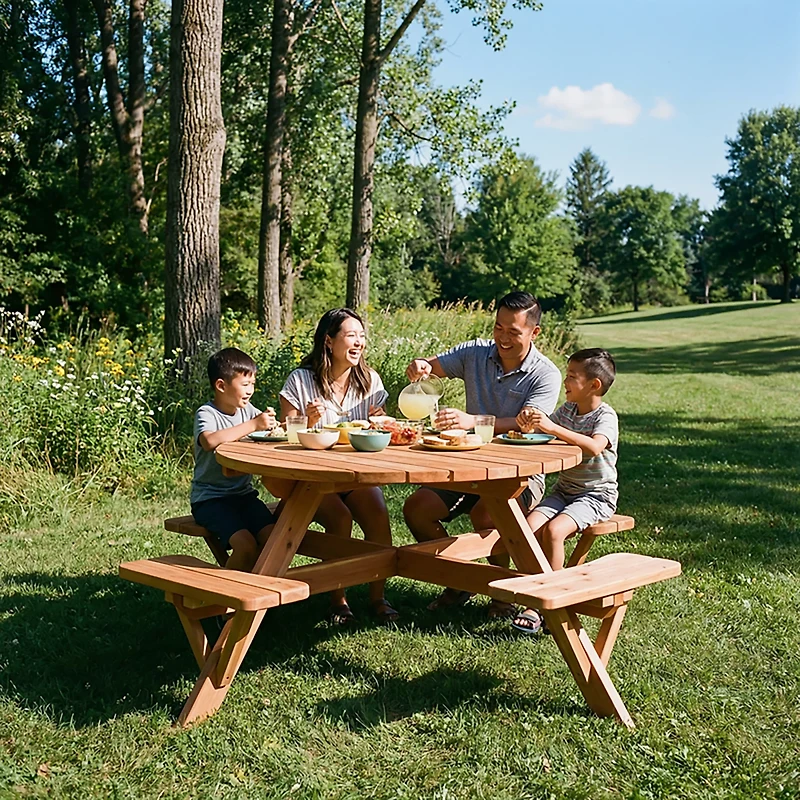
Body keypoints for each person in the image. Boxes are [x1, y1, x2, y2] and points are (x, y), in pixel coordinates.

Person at [403, 291, 562, 618]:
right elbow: (431, 368)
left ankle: (503, 597)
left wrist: (473, 421)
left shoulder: (546, 374)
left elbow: (531, 423)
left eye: (513, 332)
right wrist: (420, 367)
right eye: (498, 327)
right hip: (467, 466)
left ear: (535, 333)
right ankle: (460, 580)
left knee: (488, 517)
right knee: (417, 509)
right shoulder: (475, 353)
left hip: (520, 472)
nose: (503, 337)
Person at [275, 307, 397, 624]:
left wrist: (382, 422)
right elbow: (283, 434)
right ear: (329, 342)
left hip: (355, 475)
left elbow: (378, 423)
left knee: (378, 515)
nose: (359, 343)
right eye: (350, 336)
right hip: (312, 478)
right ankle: (338, 600)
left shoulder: (369, 380)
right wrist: (307, 421)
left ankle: (378, 597)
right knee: (340, 519)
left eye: (361, 336)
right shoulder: (300, 381)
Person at [510, 348, 619, 635]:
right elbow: (546, 434)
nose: (566, 381)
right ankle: (534, 589)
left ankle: (550, 604)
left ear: (594, 385)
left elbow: (594, 446)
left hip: (596, 496)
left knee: (554, 532)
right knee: (526, 528)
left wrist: (551, 426)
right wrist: (528, 426)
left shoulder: (605, 416)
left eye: (572, 376)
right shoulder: (568, 410)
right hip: (565, 490)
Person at [191, 347, 279, 572]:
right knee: (246, 546)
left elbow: (266, 427)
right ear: (221, 386)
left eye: (252, 384)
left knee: (275, 540)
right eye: (245, 384)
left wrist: (273, 425)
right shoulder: (207, 413)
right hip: (210, 500)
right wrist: (253, 425)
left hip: (243, 495)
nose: (251, 390)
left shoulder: (247, 410)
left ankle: (259, 591)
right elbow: (209, 441)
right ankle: (226, 599)